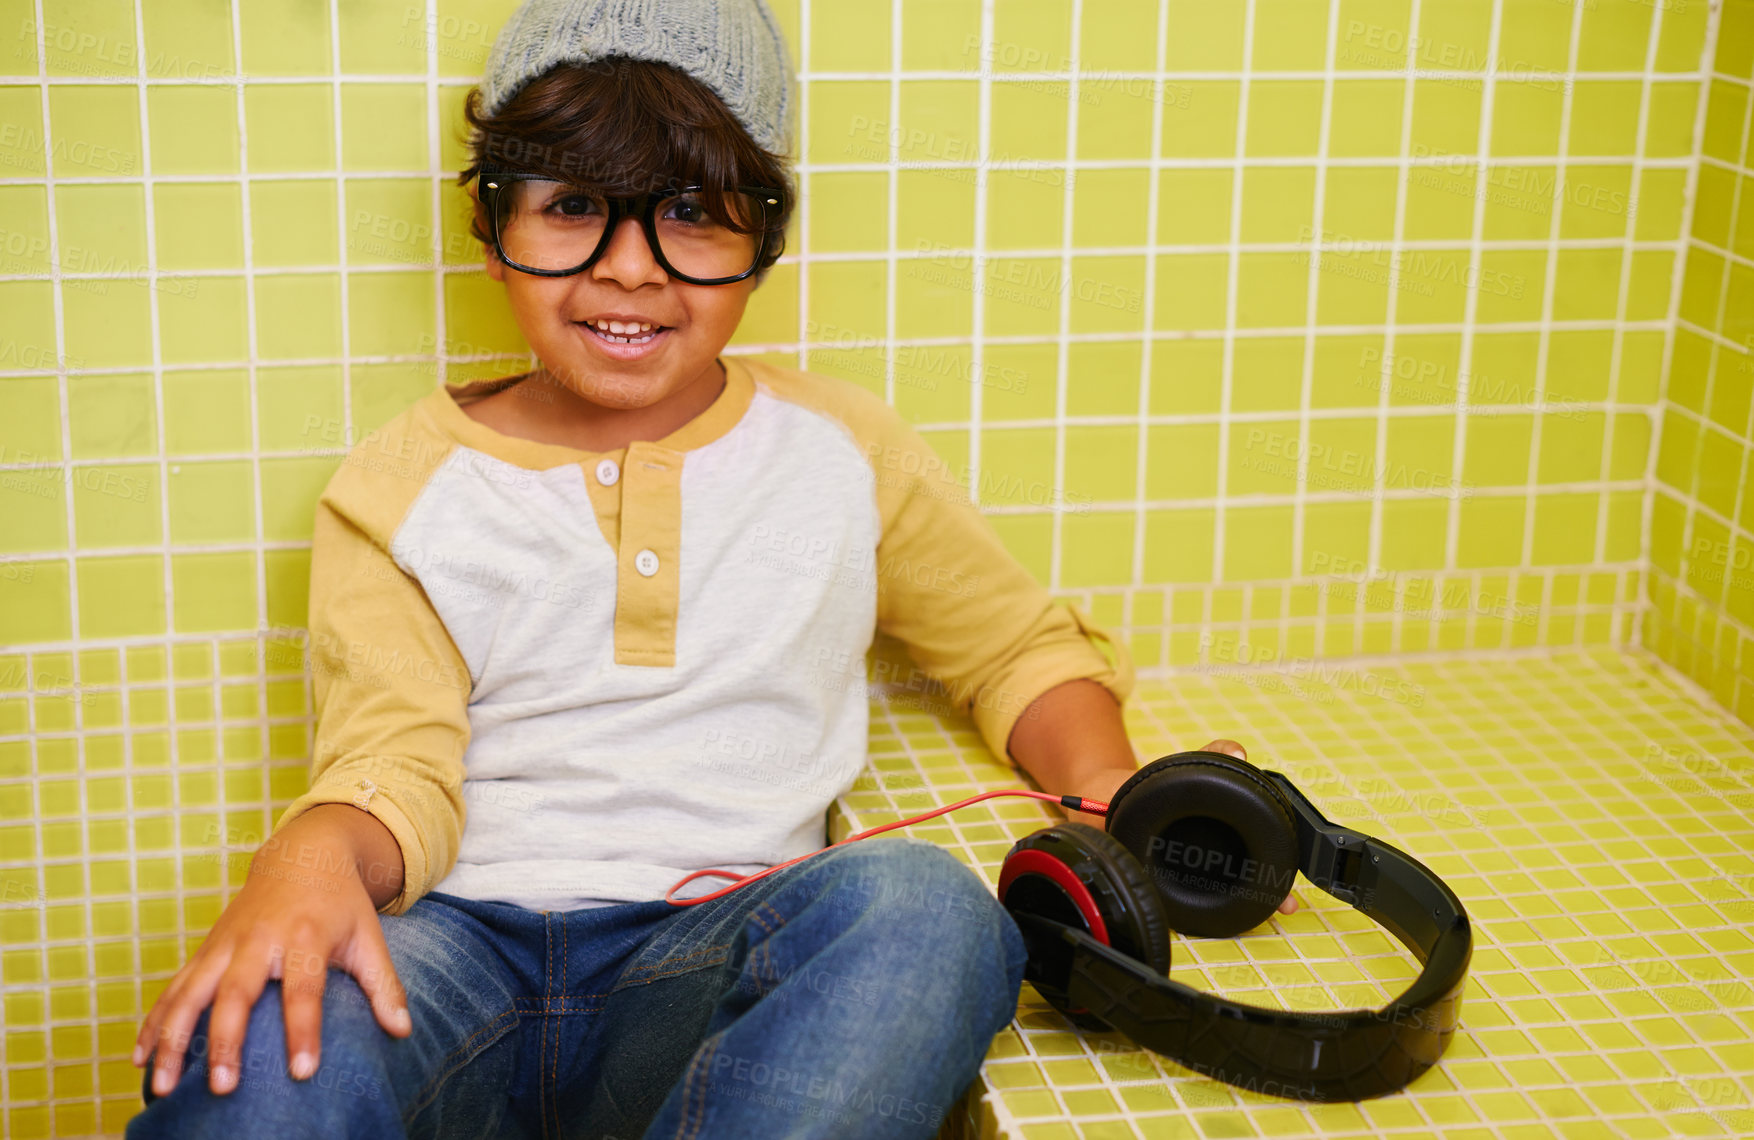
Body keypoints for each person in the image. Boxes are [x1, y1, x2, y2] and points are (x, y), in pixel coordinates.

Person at [125, 2, 1294, 1136]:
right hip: (451, 959)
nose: (629, 270)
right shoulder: (398, 485)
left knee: (926, 912)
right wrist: (308, 856)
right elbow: (392, 758)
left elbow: (1009, 645)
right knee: (267, 1046)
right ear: (492, 229)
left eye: (689, 212)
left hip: (715, 954)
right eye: (573, 206)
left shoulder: (843, 449)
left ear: (762, 240)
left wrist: (1113, 787)